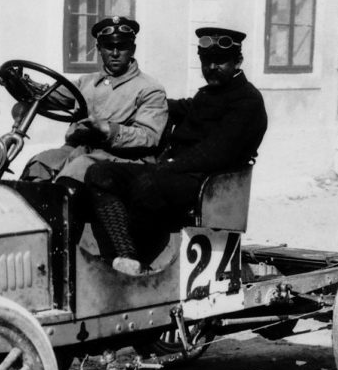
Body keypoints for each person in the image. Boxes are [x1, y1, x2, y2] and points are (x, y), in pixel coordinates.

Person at [84, 26, 268, 275]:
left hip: (208, 182)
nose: (212, 68)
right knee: (99, 173)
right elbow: (178, 107)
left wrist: (164, 168)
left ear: (238, 61)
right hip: (177, 174)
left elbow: (215, 153)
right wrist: (136, 101)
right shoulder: (208, 95)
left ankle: (140, 258)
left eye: (220, 61)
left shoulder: (247, 101)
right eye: (206, 61)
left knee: (146, 185)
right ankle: (127, 256)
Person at [20, 15, 168, 184]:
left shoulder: (149, 88)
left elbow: (149, 137)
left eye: (122, 46)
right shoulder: (87, 82)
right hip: (80, 150)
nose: (115, 53)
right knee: (38, 164)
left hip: (123, 159)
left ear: (132, 49)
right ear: (99, 49)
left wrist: (109, 130)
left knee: (75, 173)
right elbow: (51, 96)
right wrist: (22, 85)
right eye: (108, 46)